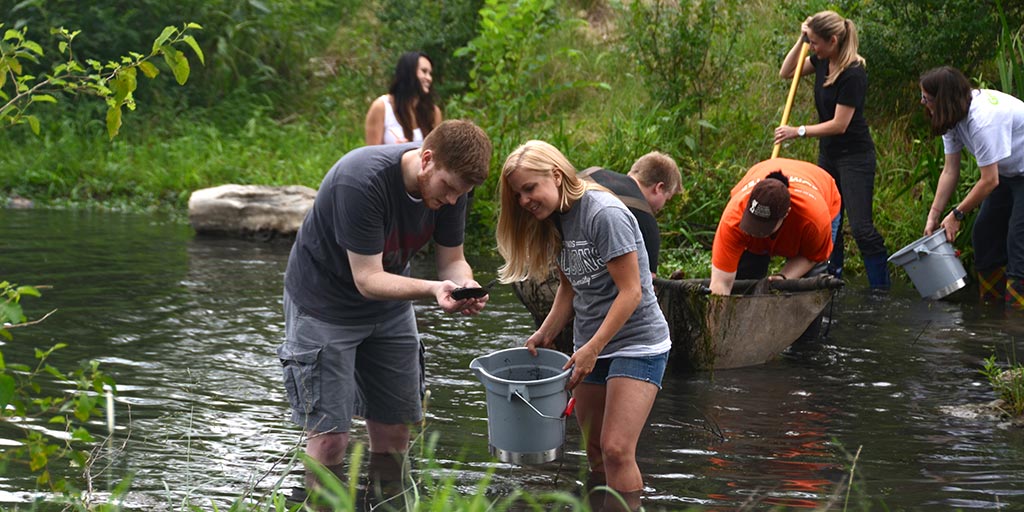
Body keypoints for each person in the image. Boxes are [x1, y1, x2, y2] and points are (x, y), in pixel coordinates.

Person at [277, 120, 492, 500]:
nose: (454, 201)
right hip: (324, 306)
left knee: (396, 434)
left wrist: (464, 285)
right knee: (330, 441)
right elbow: (367, 279)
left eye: (464, 193)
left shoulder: (452, 191)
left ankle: (386, 506)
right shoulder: (361, 181)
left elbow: (452, 262)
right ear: (427, 160)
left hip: (389, 308)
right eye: (449, 189)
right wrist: (433, 289)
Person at [496, 140, 671, 512]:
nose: (525, 200)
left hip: (637, 343)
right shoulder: (554, 222)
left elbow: (631, 292)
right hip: (591, 345)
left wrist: (592, 348)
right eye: (518, 194)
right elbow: (569, 286)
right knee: (593, 449)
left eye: (530, 188)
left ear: (556, 176)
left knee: (617, 449)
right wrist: (546, 331)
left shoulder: (602, 213)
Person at [774, 10, 890, 289]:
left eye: (815, 42)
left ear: (833, 41)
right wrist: (801, 39)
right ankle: (830, 281)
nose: (812, 48)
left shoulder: (853, 73)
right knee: (827, 223)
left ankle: (880, 291)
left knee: (861, 228)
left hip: (855, 157)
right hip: (829, 155)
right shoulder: (821, 60)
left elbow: (840, 124)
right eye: (810, 42)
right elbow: (786, 72)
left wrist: (798, 131)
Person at [920, 66, 1024, 309]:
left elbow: (989, 180)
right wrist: (934, 216)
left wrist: (957, 214)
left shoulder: (983, 119)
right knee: (984, 234)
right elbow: (950, 170)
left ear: (943, 100)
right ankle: (992, 309)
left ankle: (1016, 322)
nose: (924, 104)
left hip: (1012, 174)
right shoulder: (953, 117)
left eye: (926, 99)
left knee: (1018, 240)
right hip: (1009, 173)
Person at [710, 158, 842, 296]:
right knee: (747, 274)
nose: (757, 232)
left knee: (808, 286)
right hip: (764, 170)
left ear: (786, 215)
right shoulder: (733, 218)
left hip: (823, 191)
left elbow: (812, 256)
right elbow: (721, 283)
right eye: (753, 223)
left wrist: (783, 277)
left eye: (763, 226)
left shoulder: (813, 220)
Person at [580, 151, 683, 276]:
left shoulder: (590, 173)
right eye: (667, 198)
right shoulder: (646, 220)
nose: (663, 206)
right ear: (659, 187)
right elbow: (647, 285)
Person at [364, 51, 443, 145]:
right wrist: (395, 152)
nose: (429, 78)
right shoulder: (381, 107)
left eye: (430, 74)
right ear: (409, 72)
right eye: (424, 71)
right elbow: (373, 155)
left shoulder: (434, 112)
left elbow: (438, 155)